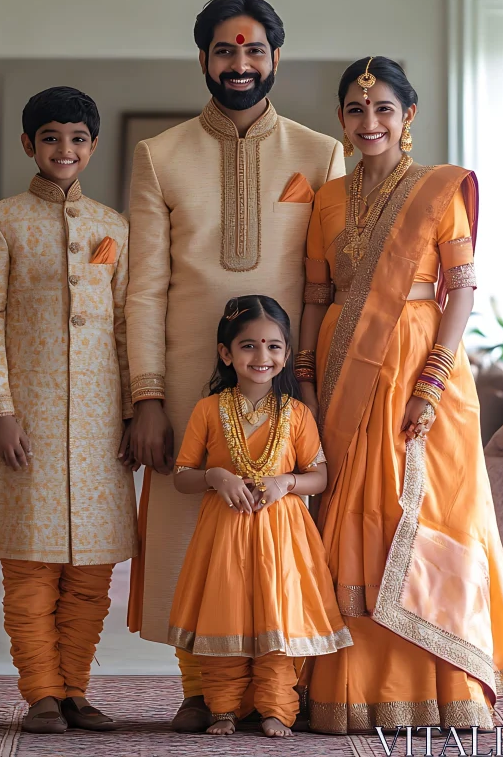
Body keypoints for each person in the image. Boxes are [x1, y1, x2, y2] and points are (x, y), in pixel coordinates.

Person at [123, 0, 345, 731]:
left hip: (285, 381)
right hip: (190, 376)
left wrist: (313, 383)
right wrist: (148, 397)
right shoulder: (159, 155)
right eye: (225, 51)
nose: (240, 65)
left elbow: (332, 281)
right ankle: (201, 687)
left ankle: (273, 689)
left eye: (253, 51)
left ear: (275, 58)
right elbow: (144, 287)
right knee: (189, 532)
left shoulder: (320, 154)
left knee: (275, 534)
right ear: (204, 61)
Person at [297, 58, 503, 733]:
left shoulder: (438, 189)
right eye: (356, 110)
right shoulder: (328, 199)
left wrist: (431, 378)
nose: (370, 123)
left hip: (427, 368)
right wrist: (306, 382)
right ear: (341, 119)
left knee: (429, 509)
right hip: (345, 369)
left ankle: (442, 685)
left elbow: (462, 292)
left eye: (384, 110)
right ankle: (352, 689)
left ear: (408, 117)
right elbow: (316, 297)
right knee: (350, 510)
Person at [0, 86, 138, 734]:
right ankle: (40, 693)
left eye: (79, 138)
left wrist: (133, 411)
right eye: (53, 137)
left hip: (100, 427)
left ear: (93, 145)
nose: (67, 149)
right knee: (30, 566)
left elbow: (124, 326)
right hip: (25, 424)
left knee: (93, 570)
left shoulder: (113, 227)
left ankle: (77, 692)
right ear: (29, 144)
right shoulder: (1, 220)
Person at [167, 295, 352, 738]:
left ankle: (277, 709)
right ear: (225, 353)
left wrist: (285, 482)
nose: (262, 356)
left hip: (283, 539)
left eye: (273, 346)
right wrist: (215, 476)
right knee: (224, 616)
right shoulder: (208, 410)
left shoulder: (297, 414)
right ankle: (224, 709)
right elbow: (181, 476)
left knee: (279, 620)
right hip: (223, 537)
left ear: (286, 354)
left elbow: (320, 477)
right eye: (248, 346)